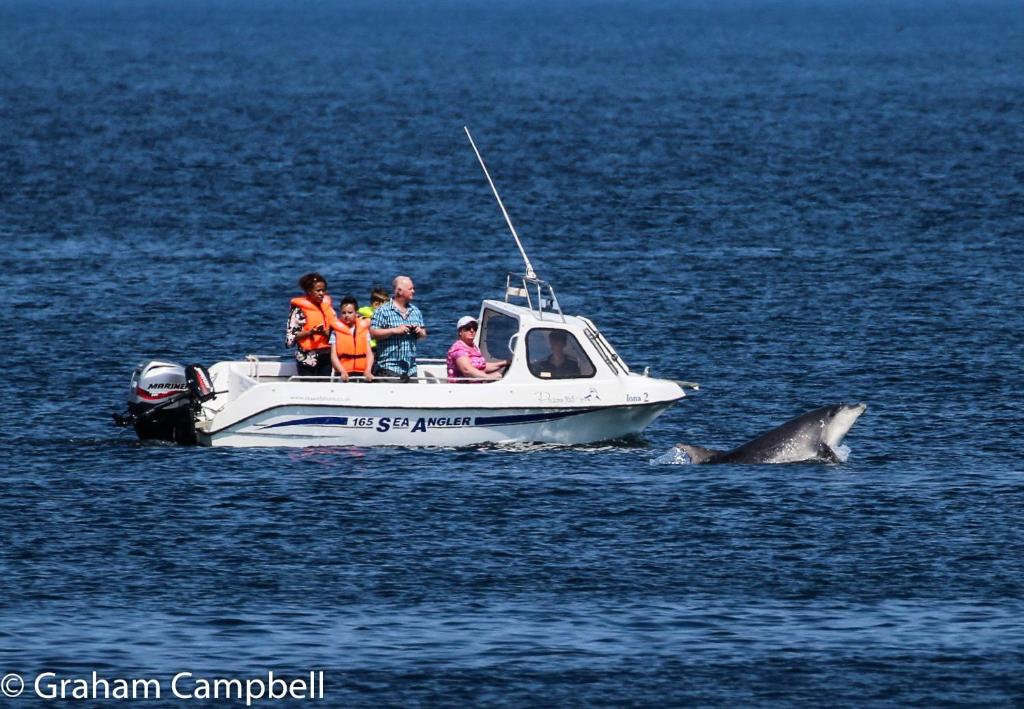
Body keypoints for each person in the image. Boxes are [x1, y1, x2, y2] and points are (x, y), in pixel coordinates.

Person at [370, 275, 427, 380]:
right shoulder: (382, 311)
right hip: (389, 369)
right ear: (399, 291)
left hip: (411, 370)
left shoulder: (415, 311)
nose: (413, 291)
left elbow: (423, 335)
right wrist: (394, 330)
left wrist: (420, 332)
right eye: (410, 289)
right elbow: (373, 333)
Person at [285, 272, 337, 377]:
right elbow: (290, 339)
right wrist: (311, 332)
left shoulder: (328, 308)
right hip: (307, 358)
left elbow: (337, 329)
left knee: (325, 385)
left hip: (326, 355)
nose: (321, 293)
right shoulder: (298, 311)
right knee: (309, 385)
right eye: (318, 290)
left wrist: (328, 333)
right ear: (309, 291)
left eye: (323, 290)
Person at [447, 316, 508, 383]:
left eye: (475, 328)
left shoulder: (473, 347)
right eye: (468, 328)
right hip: (463, 387)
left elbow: (481, 366)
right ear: (460, 332)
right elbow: (467, 370)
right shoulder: (458, 349)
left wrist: (504, 363)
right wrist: (490, 377)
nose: (472, 330)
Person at [331, 295, 375, 382]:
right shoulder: (335, 332)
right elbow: (333, 356)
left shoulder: (364, 330)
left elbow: (369, 353)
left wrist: (368, 369)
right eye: (344, 313)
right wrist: (342, 371)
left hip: (362, 372)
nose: (346, 315)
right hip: (343, 372)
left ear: (356, 313)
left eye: (350, 312)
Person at [357, 286, 389, 352]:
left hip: (381, 344)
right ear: (374, 304)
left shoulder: (389, 314)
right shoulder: (363, 315)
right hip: (371, 346)